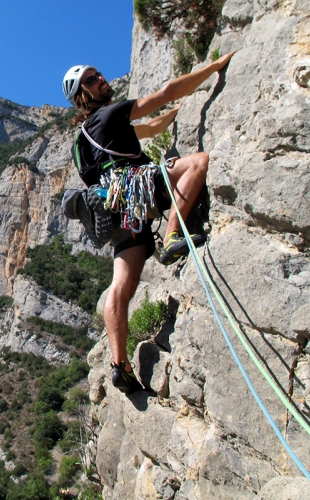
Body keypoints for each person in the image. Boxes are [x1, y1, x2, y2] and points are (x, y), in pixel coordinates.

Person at [62, 52, 235, 394]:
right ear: (83, 95)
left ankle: (120, 365)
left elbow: (154, 126)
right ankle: (172, 236)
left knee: (120, 288)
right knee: (197, 162)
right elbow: (165, 93)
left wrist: (178, 114)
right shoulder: (110, 113)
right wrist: (214, 67)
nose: (101, 79)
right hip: (139, 191)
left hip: (119, 212)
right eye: (92, 80)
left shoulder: (83, 140)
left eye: (99, 74)